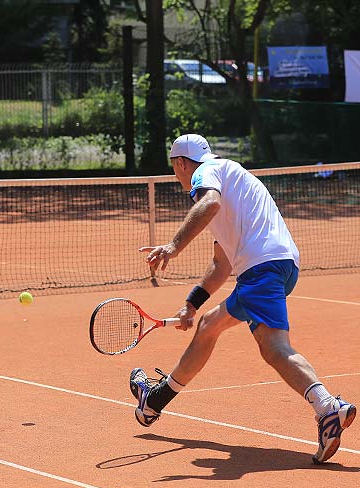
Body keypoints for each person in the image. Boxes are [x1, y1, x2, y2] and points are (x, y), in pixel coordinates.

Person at [130, 133, 356, 464]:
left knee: (274, 348)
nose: (178, 176)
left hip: (261, 268)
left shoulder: (206, 175)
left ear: (180, 163)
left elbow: (208, 204)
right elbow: (222, 265)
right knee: (208, 325)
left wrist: (173, 247)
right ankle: (154, 402)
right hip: (279, 266)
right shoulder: (231, 182)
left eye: (175, 168)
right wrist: (192, 304)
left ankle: (327, 407)